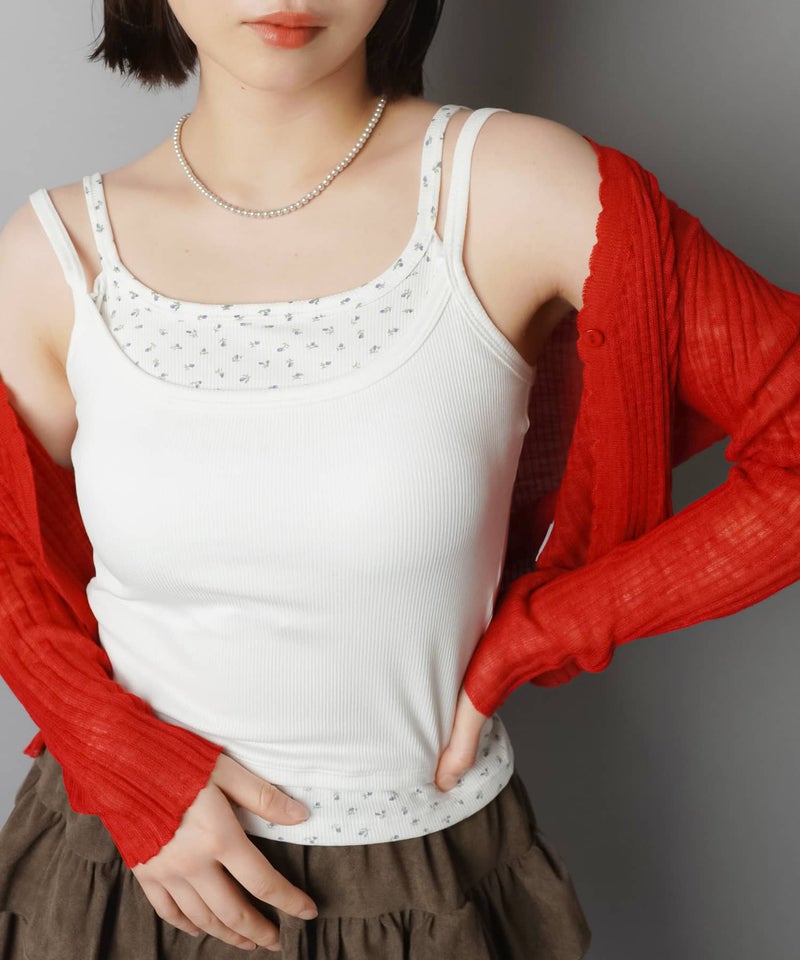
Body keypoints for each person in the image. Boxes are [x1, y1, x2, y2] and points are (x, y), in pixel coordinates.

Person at [0, 1, 797, 958]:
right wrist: (110, 751)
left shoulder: (515, 188)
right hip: (120, 878)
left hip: (426, 890)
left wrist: (552, 626)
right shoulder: (54, 250)